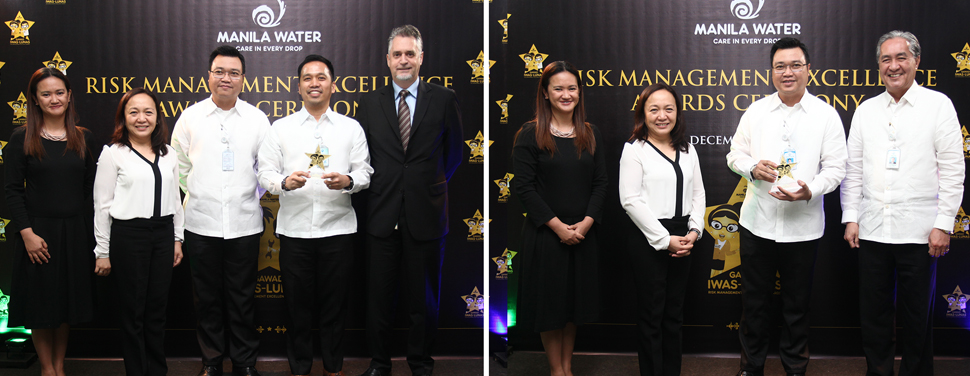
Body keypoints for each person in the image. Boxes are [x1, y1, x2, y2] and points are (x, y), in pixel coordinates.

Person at [841, 30, 965, 376]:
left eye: (901, 58)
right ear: (878, 65)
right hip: (873, 229)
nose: (893, 66)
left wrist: (944, 223)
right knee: (874, 314)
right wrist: (851, 217)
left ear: (916, 62)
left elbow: (954, 170)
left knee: (917, 317)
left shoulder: (938, 105)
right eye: (886, 59)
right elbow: (853, 169)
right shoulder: (866, 110)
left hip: (921, 232)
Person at [726, 37, 847, 376]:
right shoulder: (757, 111)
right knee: (754, 305)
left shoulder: (825, 115)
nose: (788, 72)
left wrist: (811, 191)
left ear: (809, 70)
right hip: (757, 224)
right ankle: (751, 368)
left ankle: (795, 368)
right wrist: (751, 168)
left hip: (803, 227)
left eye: (795, 65)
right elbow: (734, 154)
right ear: (772, 72)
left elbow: (837, 168)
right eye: (780, 66)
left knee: (797, 307)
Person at [354, 25, 463, 376]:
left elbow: (455, 154)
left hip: (427, 216)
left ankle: (420, 363)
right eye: (397, 54)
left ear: (421, 58)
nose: (404, 60)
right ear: (387, 60)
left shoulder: (444, 99)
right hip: (381, 214)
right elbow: (362, 159)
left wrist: (423, 186)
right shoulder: (369, 103)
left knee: (424, 300)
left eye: (410, 54)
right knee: (379, 300)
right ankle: (379, 363)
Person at [256, 55, 372, 376]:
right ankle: (300, 369)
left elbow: (365, 173)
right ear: (298, 87)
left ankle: (333, 369)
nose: (315, 83)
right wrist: (283, 183)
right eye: (308, 78)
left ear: (333, 85)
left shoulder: (351, 128)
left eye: (321, 77)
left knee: (335, 309)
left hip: (338, 232)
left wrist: (348, 182)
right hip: (294, 233)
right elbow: (264, 171)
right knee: (297, 310)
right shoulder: (281, 128)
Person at [171, 45, 270, 376]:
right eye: (220, 72)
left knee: (243, 298)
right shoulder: (190, 118)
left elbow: (267, 170)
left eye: (234, 73)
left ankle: (244, 362)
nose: (226, 78)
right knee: (207, 299)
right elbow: (179, 167)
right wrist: (199, 192)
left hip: (244, 223)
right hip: (200, 223)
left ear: (243, 79)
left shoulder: (257, 120)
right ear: (208, 76)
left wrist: (246, 194)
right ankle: (211, 362)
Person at [512, 61, 607, 376]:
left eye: (572, 88)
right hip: (546, 235)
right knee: (550, 308)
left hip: (582, 234)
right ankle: (557, 370)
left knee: (571, 308)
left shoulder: (590, 133)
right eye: (558, 88)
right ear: (545, 93)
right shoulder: (530, 133)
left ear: (579, 92)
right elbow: (523, 188)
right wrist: (557, 227)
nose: (566, 94)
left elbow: (601, 183)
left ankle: (567, 367)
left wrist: (587, 223)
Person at [4, 67, 96, 376]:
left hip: (73, 231)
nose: (54, 99)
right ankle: (47, 369)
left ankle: (60, 367)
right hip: (37, 233)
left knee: (65, 305)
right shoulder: (23, 138)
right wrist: (27, 233)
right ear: (35, 99)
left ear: (69, 96)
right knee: (41, 305)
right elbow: (13, 190)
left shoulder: (83, 138)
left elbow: (88, 187)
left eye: (59, 92)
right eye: (46, 94)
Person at [93, 88, 184, 376]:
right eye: (133, 112)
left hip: (162, 234)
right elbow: (102, 205)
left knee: (157, 311)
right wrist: (103, 251)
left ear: (158, 118)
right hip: (128, 237)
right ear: (124, 117)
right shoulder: (113, 154)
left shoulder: (169, 153)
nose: (141, 118)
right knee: (133, 313)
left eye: (148, 112)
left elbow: (176, 201)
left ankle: (158, 371)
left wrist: (177, 239)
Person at [619, 83, 706, 376]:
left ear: (677, 113)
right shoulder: (634, 150)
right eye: (653, 109)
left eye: (669, 108)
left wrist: (694, 231)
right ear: (643, 113)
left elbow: (698, 194)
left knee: (674, 315)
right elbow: (630, 201)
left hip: (684, 237)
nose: (662, 115)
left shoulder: (687, 148)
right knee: (651, 315)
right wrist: (664, 239)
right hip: (649, 237)